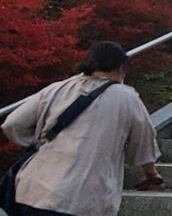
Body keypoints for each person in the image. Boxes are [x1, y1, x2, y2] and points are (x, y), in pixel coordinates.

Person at [1, 42, 162, 216]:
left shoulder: (57, 88)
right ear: (121, 67)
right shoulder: (128, 98)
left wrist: (39, 142)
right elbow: (143, 144)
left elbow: (13, 124)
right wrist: (150, 173)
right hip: (83, 199)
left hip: (32, 192)